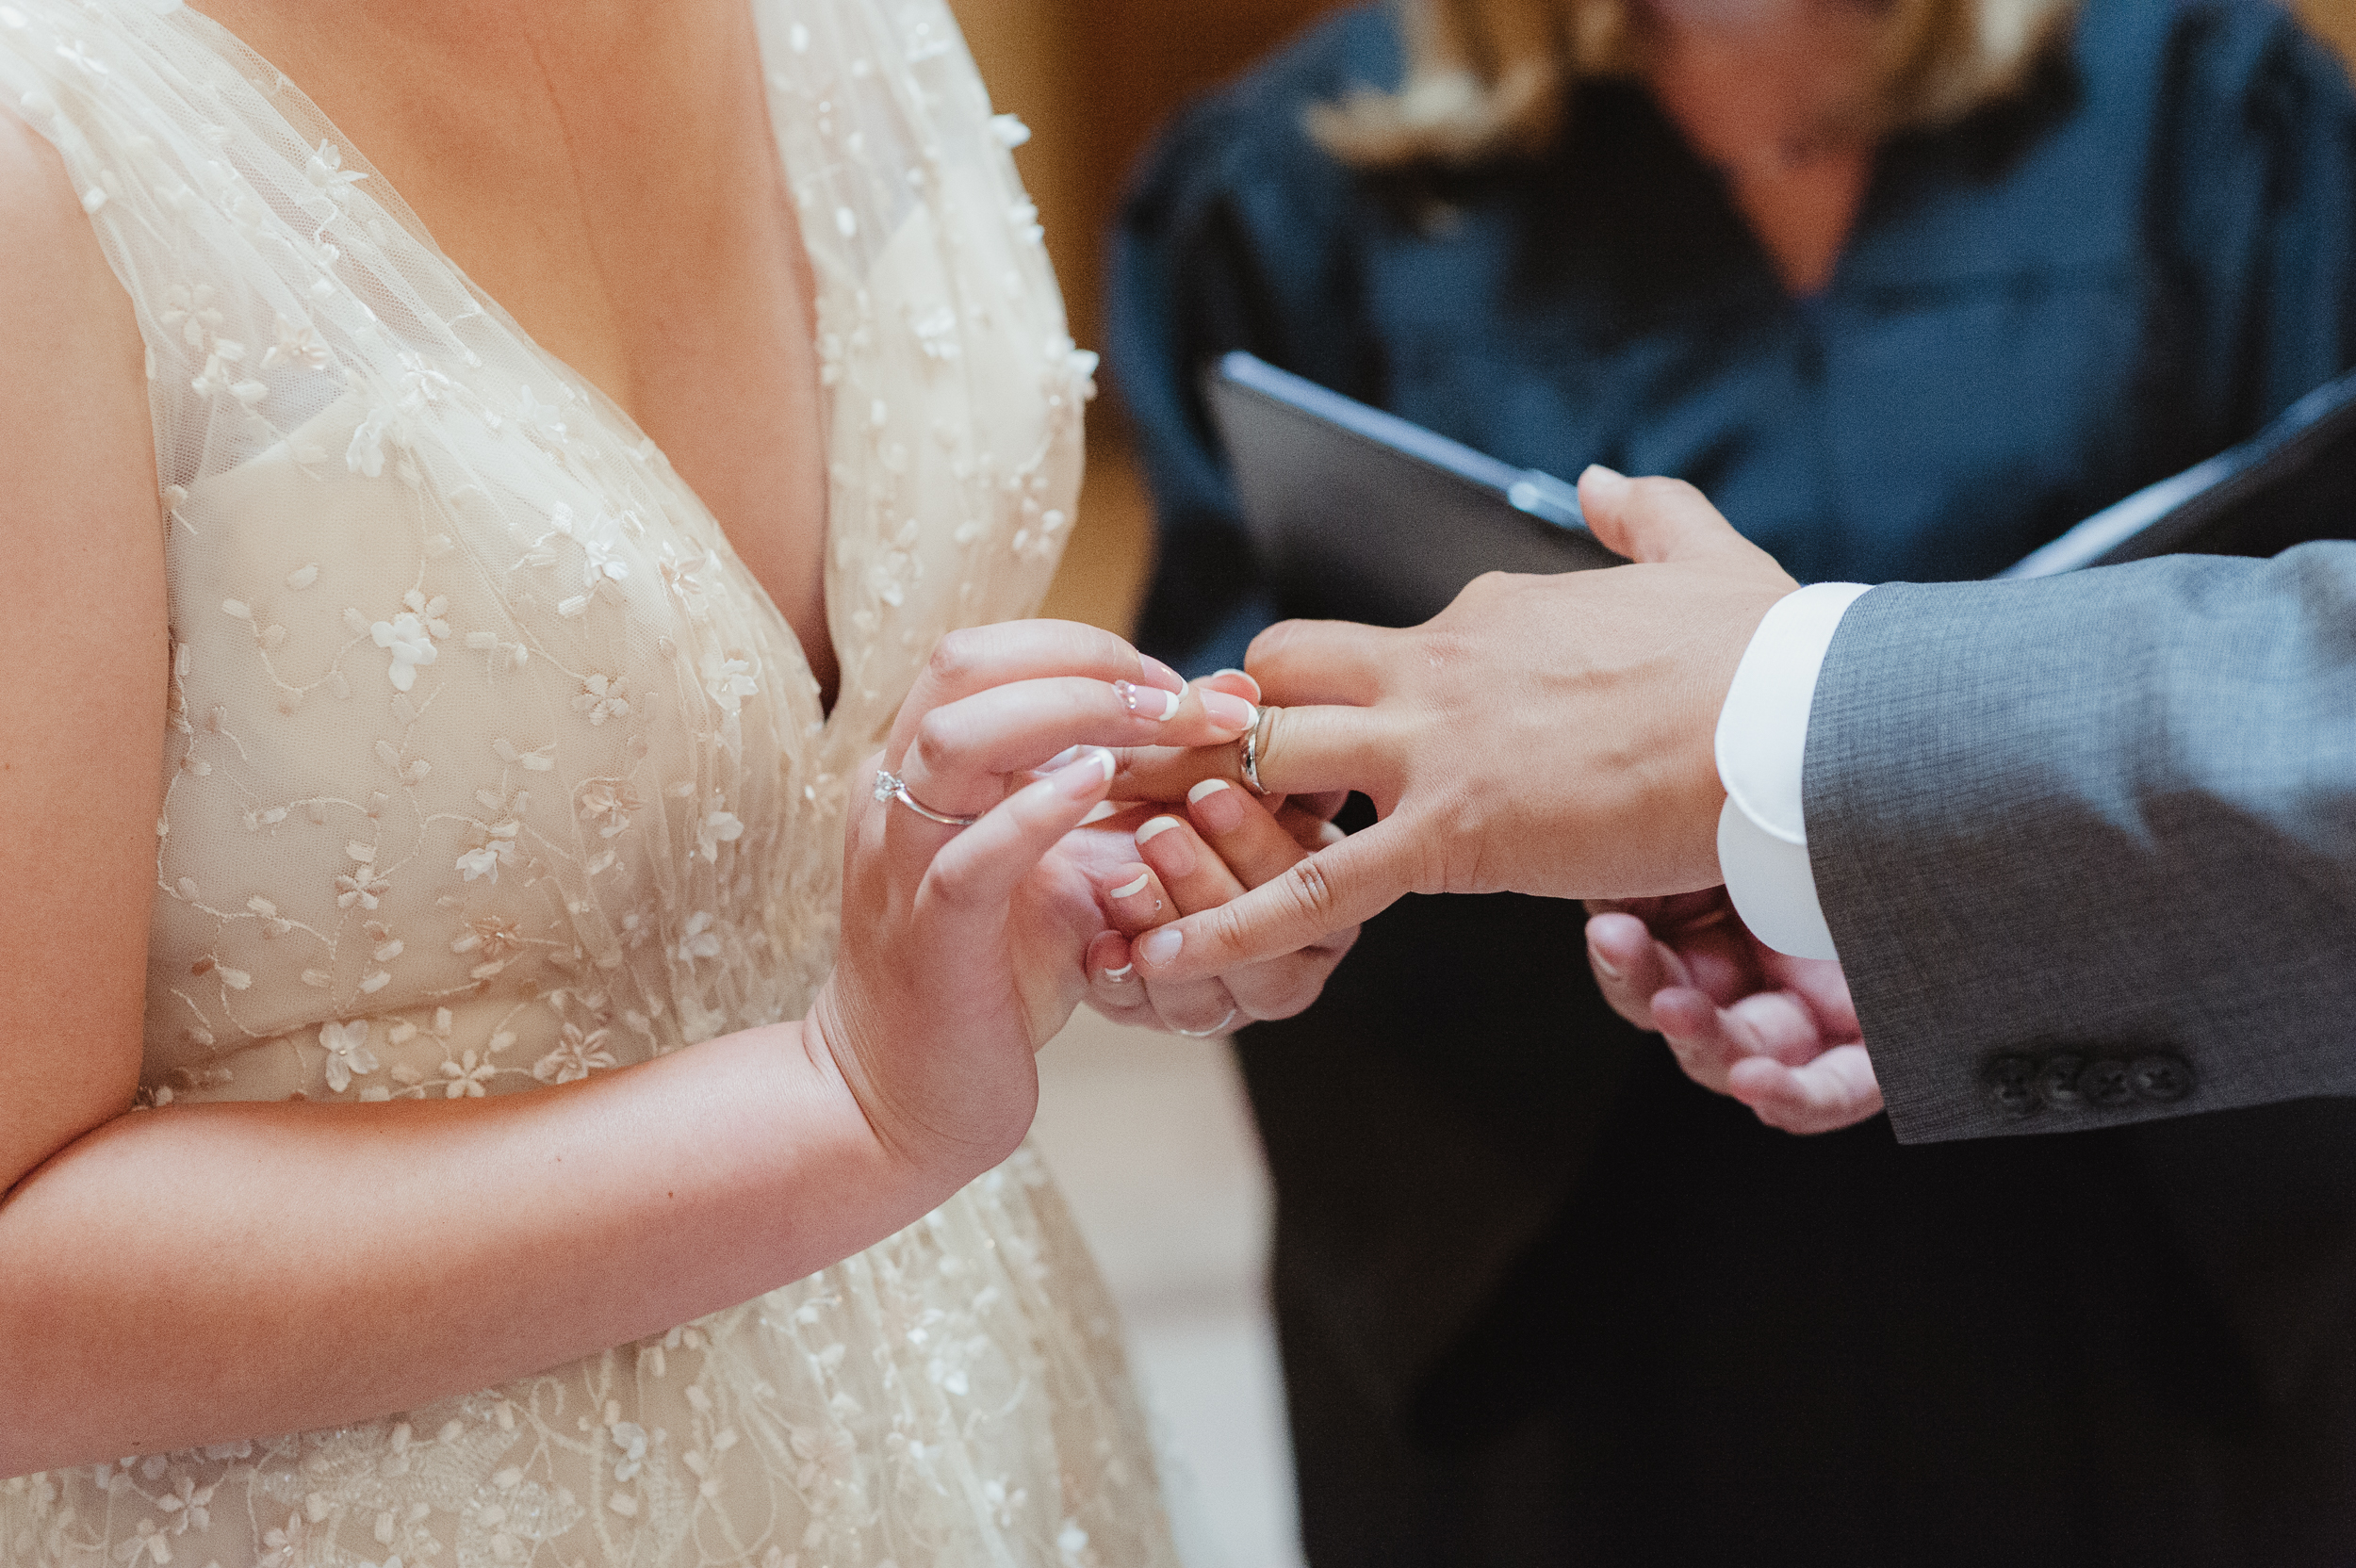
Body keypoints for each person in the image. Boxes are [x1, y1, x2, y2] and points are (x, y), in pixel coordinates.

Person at [0, 1, 1349, 1562]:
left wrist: (1049, 877)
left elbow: (772, 795)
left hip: (977, 1424)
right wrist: (843, 1107)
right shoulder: (48, 155)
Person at [1108, 0, 2356, 1560]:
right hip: (1564, 1241)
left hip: (2113, 1199)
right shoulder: (1282, 179)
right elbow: (1244, 699)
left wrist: (1899, 874)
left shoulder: (2223, 115)